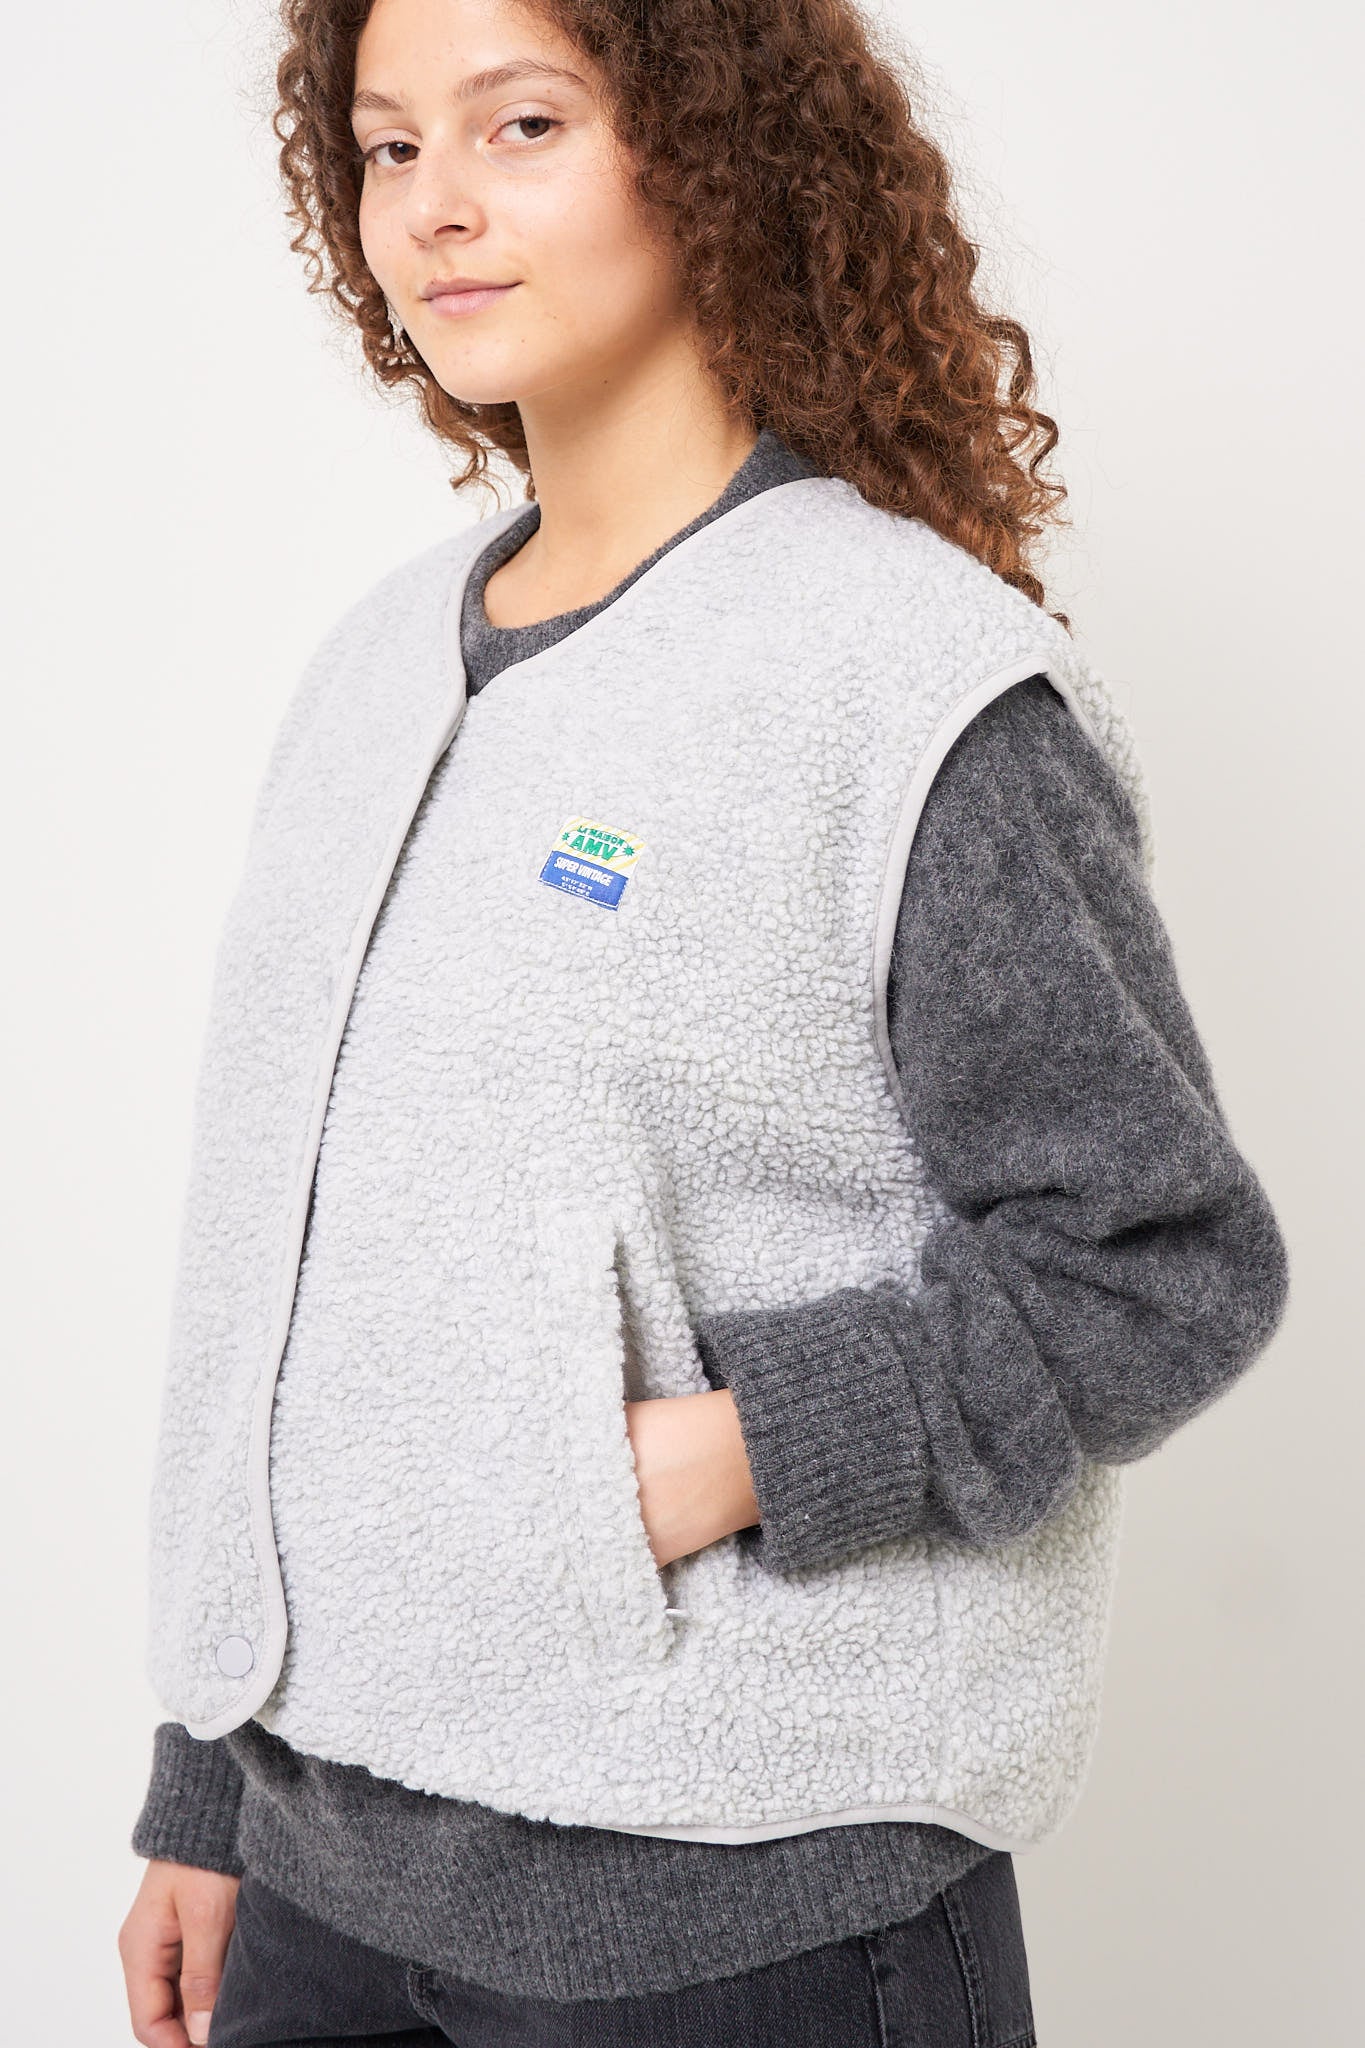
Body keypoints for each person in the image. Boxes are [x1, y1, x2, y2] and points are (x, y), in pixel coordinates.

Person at [117, 0, 1289, 2042]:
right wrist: (210, 1784)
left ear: (710, 155)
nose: (435, 205)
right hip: (321, 1888)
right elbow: (276, 1269)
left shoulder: (904, 680)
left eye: (522, 124)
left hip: (743, 1912)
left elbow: (1157, 1263)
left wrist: (739, 1450)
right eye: (389, 146)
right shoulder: (373, 669)